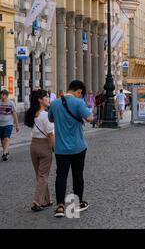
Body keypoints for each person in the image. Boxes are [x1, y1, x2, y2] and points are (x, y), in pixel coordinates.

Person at [49, 80, 93, 218]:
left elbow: (51, 119)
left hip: (61, 147)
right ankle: (78, 204)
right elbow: (90, 118)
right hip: (78, 146)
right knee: (77, 174)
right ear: (78, 91)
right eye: (81, 94)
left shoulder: (55, 103)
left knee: (61, 175)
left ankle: (60, 206)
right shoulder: (79, 103)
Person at [24, 90, 55, 212]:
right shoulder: (45, 115)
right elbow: (50, 135)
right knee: (43, 175)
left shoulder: (32, 114)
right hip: (44, 146)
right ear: (40, 100)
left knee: (40, 175)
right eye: (46, 97)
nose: (48, 99)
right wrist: (55, 148)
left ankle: (47, 200)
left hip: (33, 145)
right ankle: (36, 202)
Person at [0, 90, 20, 161]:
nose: (1, 96)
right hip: (0, 124)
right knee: (2, 140)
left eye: (2, 94)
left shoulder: (11, 103)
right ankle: (6, 151)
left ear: (6, 95)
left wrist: (17, 125)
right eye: (1, 95)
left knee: (6, 138)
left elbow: (14, 114)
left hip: (8, 123)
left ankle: (4, 153)